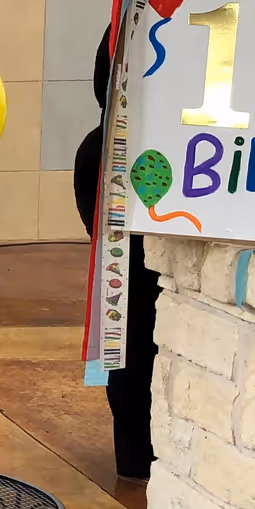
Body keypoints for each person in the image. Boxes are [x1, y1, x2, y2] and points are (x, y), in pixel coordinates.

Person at [72, 27, 156, 481]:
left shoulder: (95, 147)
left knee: (130, 356)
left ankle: (137, 458)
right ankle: (138, 459)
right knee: (132, 356)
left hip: (127, 281)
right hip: (129, 277)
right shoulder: (100, 149)